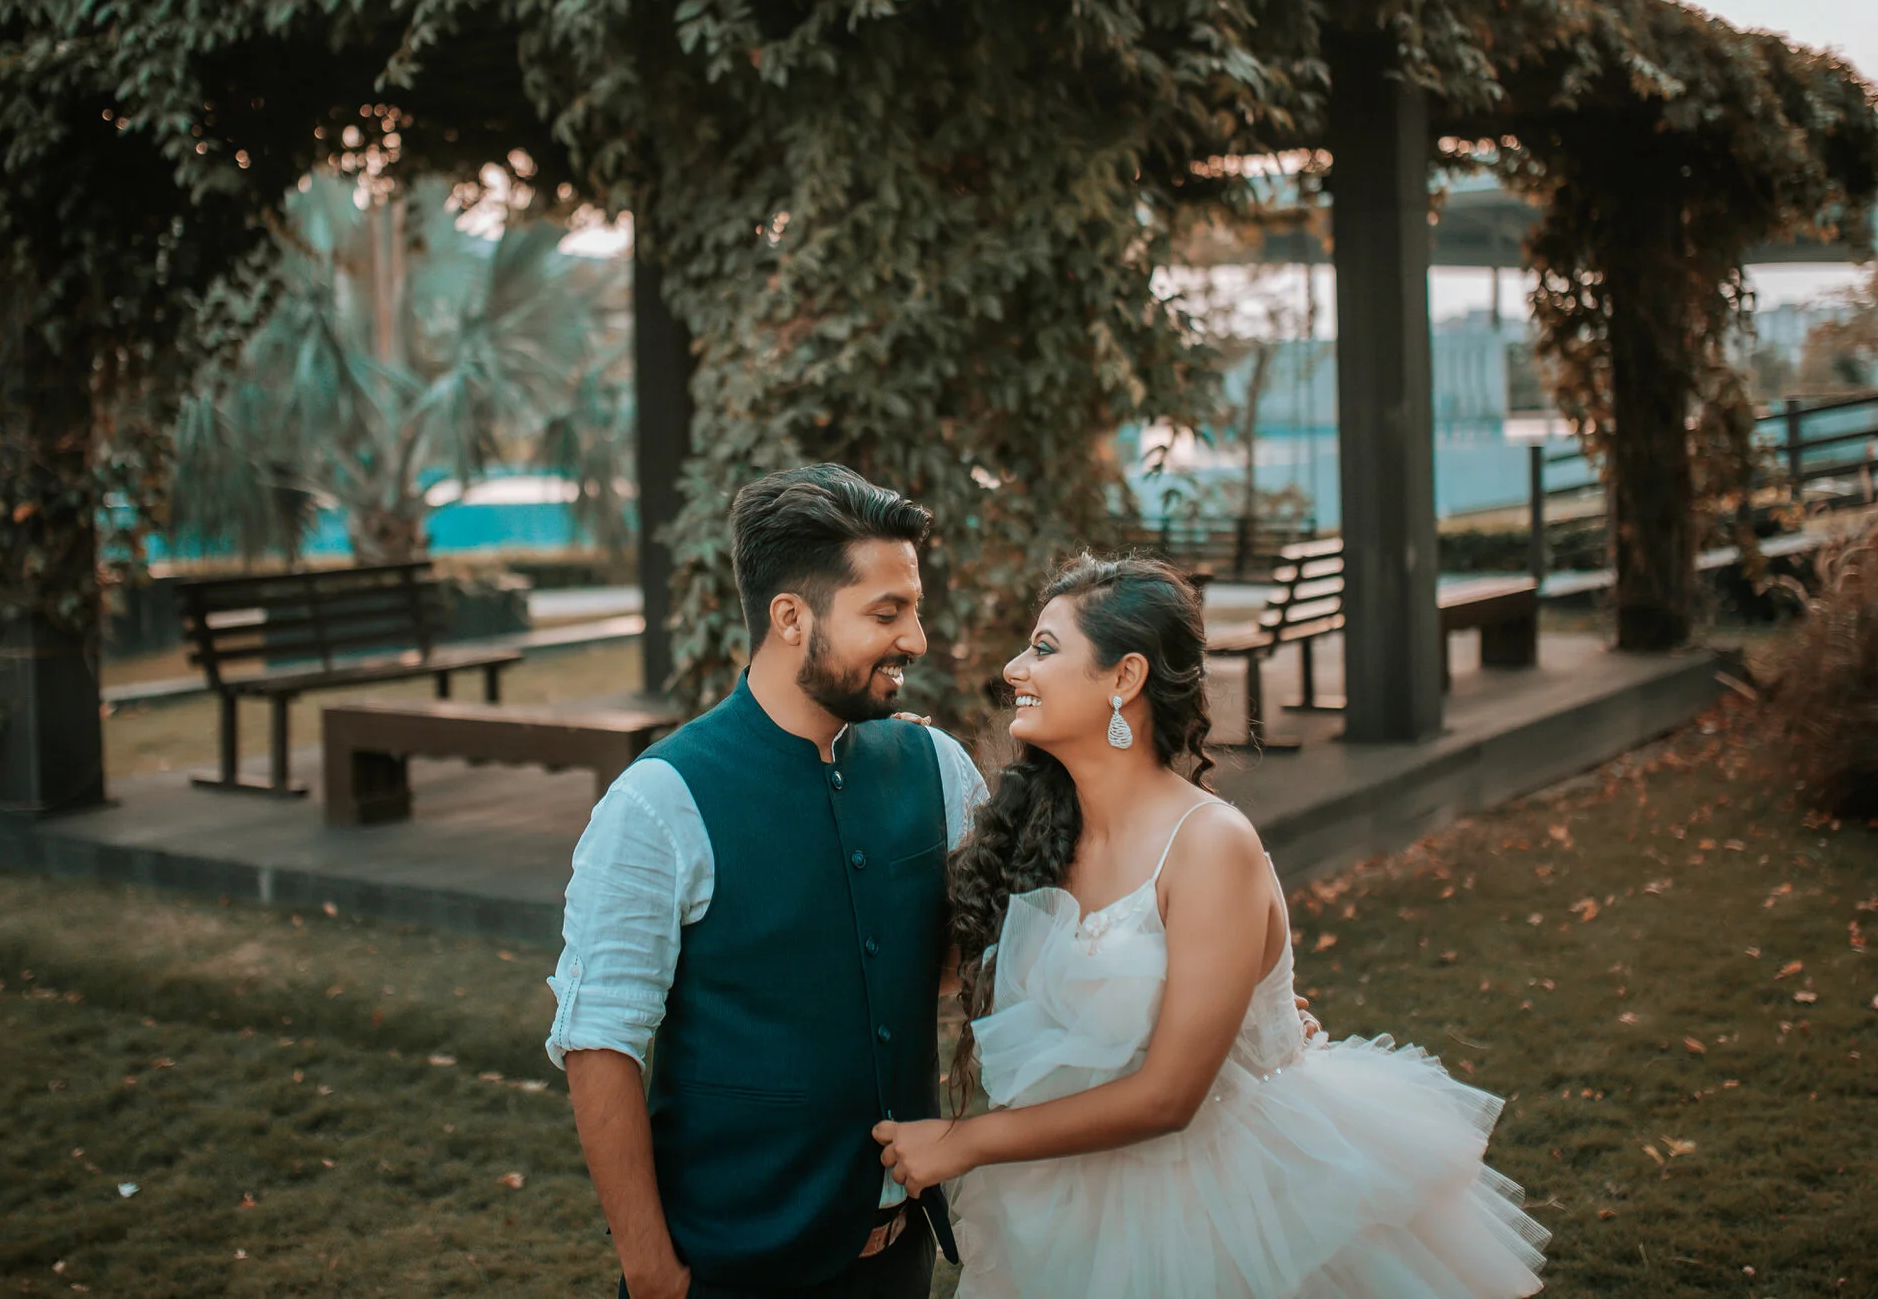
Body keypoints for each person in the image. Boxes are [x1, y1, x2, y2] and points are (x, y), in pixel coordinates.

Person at [872, 554, 1550, 1298]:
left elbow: (1170, 1095)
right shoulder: (1038, 836)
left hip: (1225, 1206)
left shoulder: (1208, 844)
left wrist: (961, 1142)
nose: (1013, 668)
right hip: (1068, 1200)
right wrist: (882, 770)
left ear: (1124, 679)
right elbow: (936, 973)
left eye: (1043, 647)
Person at [549, 464, 987, 1299]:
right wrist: (649, 1269)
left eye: (915, 608)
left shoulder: (939, 767)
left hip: (900, 1261)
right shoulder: (657, 801)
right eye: (887, 612)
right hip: (726, 1272)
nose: (917, 638)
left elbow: (979, 964)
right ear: (791, 617)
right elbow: (600, 1039)